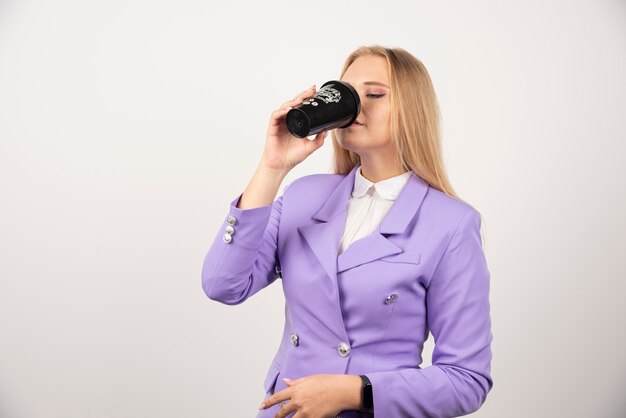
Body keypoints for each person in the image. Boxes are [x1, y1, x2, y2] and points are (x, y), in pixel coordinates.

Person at [201, 45, 494, 418]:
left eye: (374, 94)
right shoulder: (303, 196)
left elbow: (466, 379)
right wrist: (272, 167)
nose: (356, 107)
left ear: (411, 109)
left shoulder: (451, 224)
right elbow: (222, 284)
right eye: (347, 94)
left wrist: (356, 390)